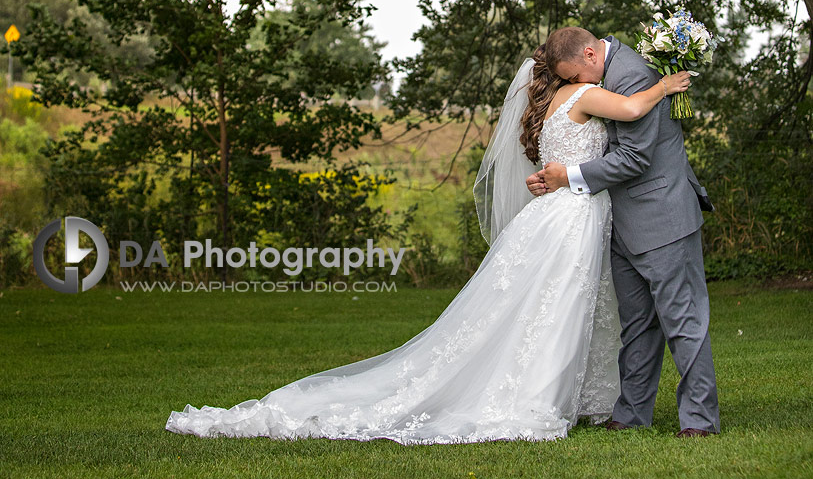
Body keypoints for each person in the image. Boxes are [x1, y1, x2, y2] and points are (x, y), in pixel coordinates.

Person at [165, 43, 689, 444]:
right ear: (582, 62)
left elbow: (558, 157)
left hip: (560, 210)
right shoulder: (587, 93)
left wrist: (557, 175)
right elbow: (634, 109)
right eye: (588, 68)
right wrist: (664, 85)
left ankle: (584, 397)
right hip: (572, 213)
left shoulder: (551, 98)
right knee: (558, 305)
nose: (596, 73)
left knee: (553, 305)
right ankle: (534, 398)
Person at [526, 26, 719, 438]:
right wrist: (553, 177)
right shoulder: (603, 74)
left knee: (683, 321)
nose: (576, 86)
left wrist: (569, 176)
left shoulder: (631, 75)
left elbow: (634, 158)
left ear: (592, 55)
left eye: (576, 76)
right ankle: (631, 413)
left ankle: (700, 421)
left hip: (660, 214)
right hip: (620, 221)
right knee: (636, 325)